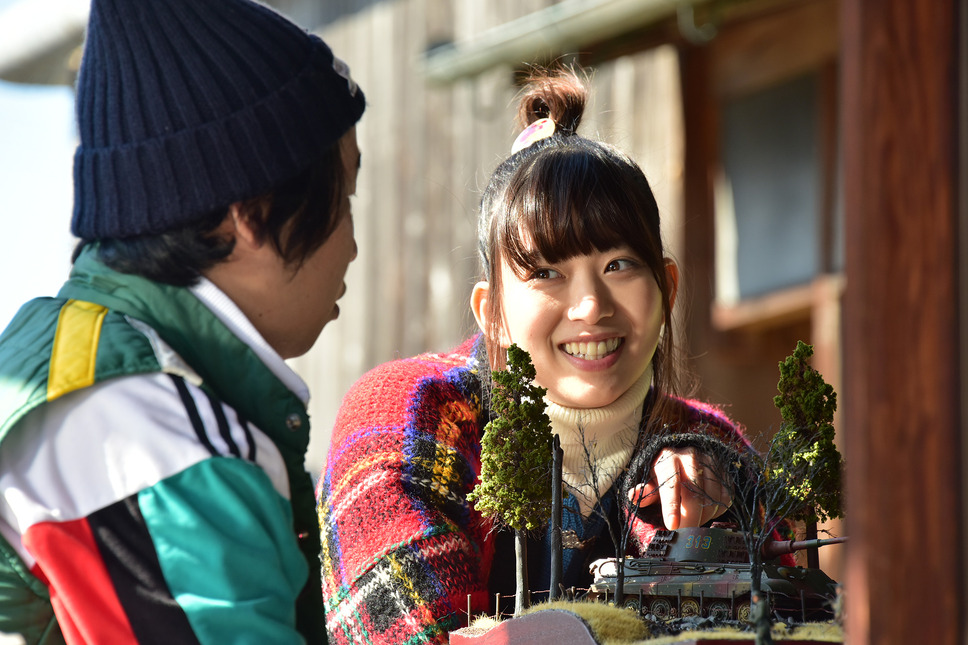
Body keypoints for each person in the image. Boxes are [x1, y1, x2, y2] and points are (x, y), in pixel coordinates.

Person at [317, 68, 754, 644]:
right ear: (490, 311)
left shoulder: (712, 450)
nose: (591, 306)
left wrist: (714, 510)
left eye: (619, 265)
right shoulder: (405, 414)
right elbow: (406, 634)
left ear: (667, 288)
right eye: (547, 273)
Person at [0, 0, 364, 642]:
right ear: (253, 213)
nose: (353, 246)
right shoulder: (145, 435)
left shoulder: (79, 358)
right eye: (347, 198)